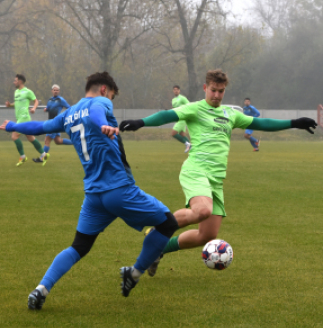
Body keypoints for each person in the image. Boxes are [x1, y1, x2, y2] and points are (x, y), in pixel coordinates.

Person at [0, 71, 179, 309]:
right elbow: (96, 112)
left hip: (94, 196)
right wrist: (104, 123)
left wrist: (12, 125)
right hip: (119, 190)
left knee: (78, 247)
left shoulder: (69, 112)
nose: (109, 103)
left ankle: (41, 289)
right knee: (168, 224)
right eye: (111, 97)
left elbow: (40, 126)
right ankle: (134, 274)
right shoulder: (100, 102)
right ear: (104, 89)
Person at [119, 69, 317, 276]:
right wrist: (141, 122)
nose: (216, 95)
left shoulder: (230, 114)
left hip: (216, 179)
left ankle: (159, 250)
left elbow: (261, 123)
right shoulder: (194, 109)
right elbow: (167, 115)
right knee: (202, 211)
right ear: (205, 88)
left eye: (221, 91)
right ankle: (159, 229)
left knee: (207, 235)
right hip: (196, 170)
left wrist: (294, 123)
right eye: (213, 90)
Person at [5, 74, 49, 166]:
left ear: (20, 81)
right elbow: (17, 103)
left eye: (15, 80)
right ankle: (44, 154)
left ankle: (23, 157)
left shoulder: (28, 92)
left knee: (14, 136)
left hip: (24, 118)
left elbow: (36, 101)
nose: (14, 82)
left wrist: (34, 108)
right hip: (20, 118)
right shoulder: (16, 92)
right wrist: (10, 105)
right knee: (30, 138)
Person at [33, 84, 73, 163]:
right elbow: (49, 108)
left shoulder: (61, 100)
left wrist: (66, 116)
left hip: (54, 123)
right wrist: (46, 109)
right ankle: (74, 142)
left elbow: (69, 108)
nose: (56, 91)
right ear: (52, 91)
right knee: (57, 141)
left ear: (59, 91)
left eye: (57, 90)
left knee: (47, 141)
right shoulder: (50, 100)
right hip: (50, 122)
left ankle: (42, 158)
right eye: (54, 90)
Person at [171, 85, 191, 153]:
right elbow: (175, 109)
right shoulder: (173, 100)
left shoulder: (182, 98)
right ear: (173, 91)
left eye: (177, 89)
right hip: (178, 119)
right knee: (182, 134)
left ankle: (187, 144)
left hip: (182, 118)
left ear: (179, 91)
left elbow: (189, 105)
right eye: (174, 89)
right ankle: (192, 148)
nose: (176, 91)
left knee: (173, 133)